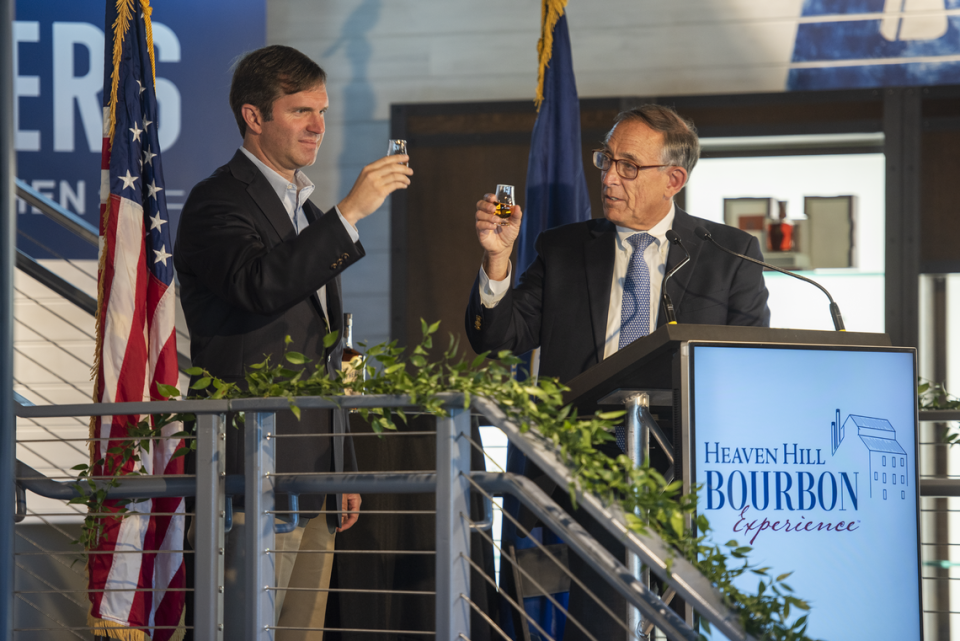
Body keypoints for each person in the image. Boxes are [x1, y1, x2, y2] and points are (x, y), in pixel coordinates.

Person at [465, 104, 770, 641]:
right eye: (606, 160)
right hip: (577, 477)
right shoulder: (563, 249)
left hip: (684, 478)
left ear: (673, 179)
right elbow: (498, 336)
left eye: (628, 166)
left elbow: (749, 367)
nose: (607, 177)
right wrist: (497, 262)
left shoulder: (729, 253)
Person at [175, 45, 412, 640]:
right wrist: (352, 210)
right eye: (301, 110)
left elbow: (328, 351)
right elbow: (259, 286)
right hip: (251, 474)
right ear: (254, 117)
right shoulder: (216, 200)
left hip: (314, 478)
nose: (318, 126)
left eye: (323, 111)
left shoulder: (302, 208)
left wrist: (344, 464)